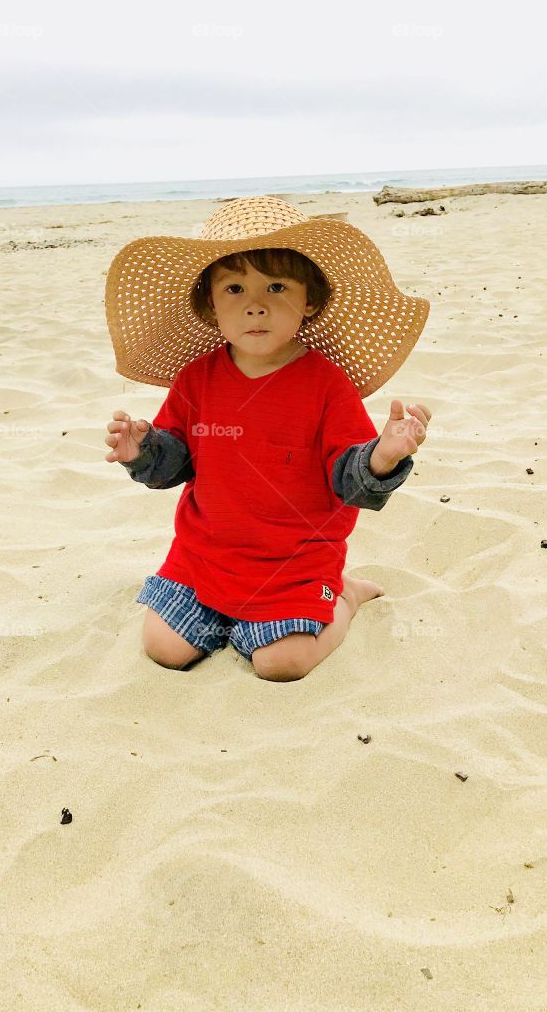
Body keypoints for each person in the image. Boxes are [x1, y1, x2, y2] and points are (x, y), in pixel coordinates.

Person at [103, 195, 433, 682]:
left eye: (276, 286)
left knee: (281, 664)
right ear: (210, 306)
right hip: (206, 557)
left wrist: (382, 456)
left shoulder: (325, 384)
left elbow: (351, 481)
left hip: (295, 564)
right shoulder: (196, 379)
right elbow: (176, 464)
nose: (255, 305)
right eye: (234, 288)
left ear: (310, 299)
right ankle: (227, 619)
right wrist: (143, 451)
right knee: (164, 648)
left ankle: (345, 593)